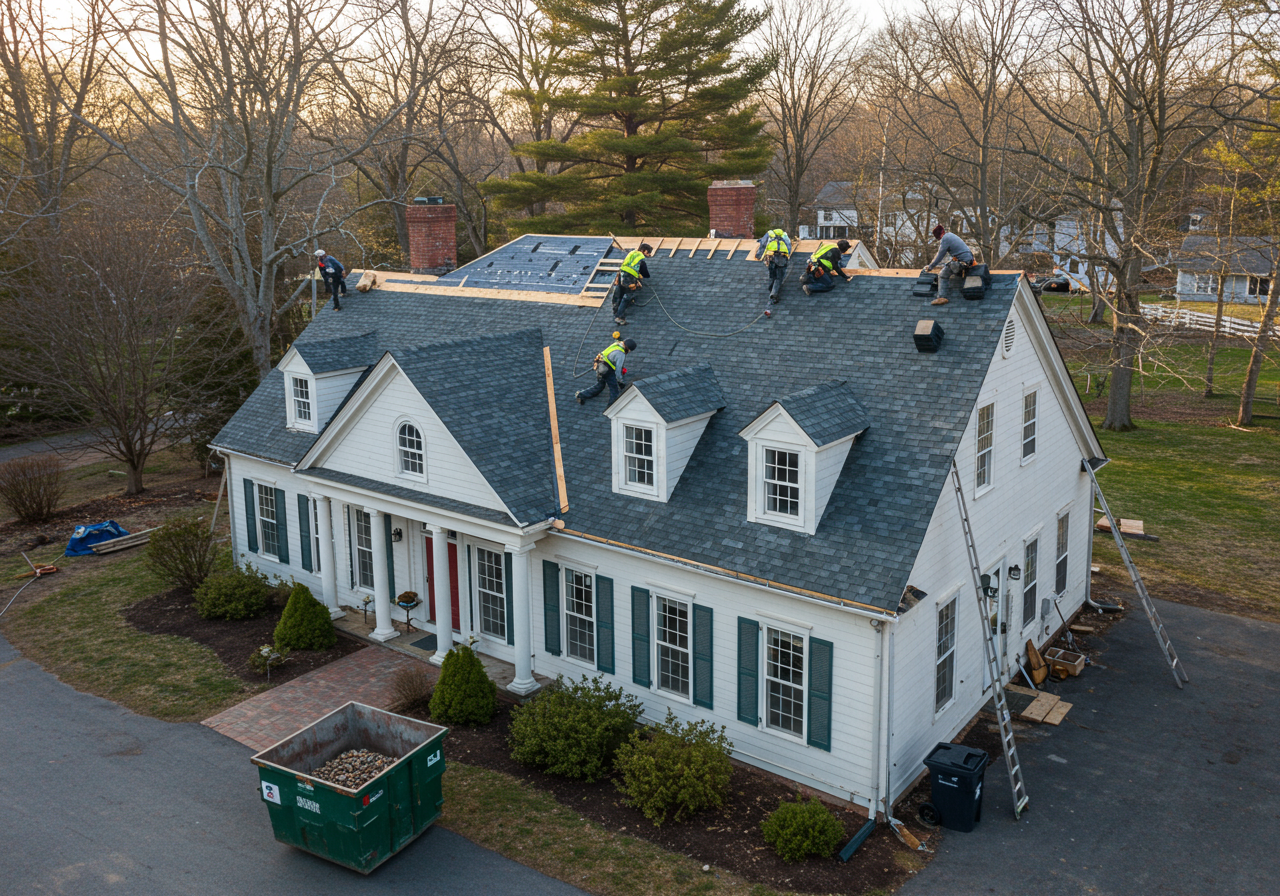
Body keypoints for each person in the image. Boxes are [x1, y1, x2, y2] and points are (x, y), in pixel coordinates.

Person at [922, 225, 975, 306]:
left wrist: (930, 267)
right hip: (968, 261)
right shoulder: (951, 235)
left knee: (942, 275)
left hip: (961, 263)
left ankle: (941, 297)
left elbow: (940, 255)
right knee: (949, 265)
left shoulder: (945, 238)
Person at [576, 337, 636, 406]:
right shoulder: (621, 354)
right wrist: (620, 382)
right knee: (614, 391)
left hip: (599, 366)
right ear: (628, 349)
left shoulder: (616, 344)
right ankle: (612, 407)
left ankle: (581, 395)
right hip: (607, 371)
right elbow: (618, 371)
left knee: (600, 385)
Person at [613, 243, 653, 325]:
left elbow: (625, 264)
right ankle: (619, 316)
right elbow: (645, 274)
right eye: (648, 253)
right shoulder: (641, 258)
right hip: (629, 278)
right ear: (644, 251)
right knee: (628, 295)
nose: (648, 255)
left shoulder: (631, 253)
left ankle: (615, 308)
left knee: (620, 290)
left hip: (622, 274)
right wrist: (638, 278)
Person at [754, 228, 792, 311]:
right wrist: (788, 256)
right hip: (781, 258)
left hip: (770, 257)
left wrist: (759, 255)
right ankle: (773, 294)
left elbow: (763, 244)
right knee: (779, 277)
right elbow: (789, 246)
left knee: (772, 275)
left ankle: (771, 289)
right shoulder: (784, 235)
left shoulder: (769, 234)